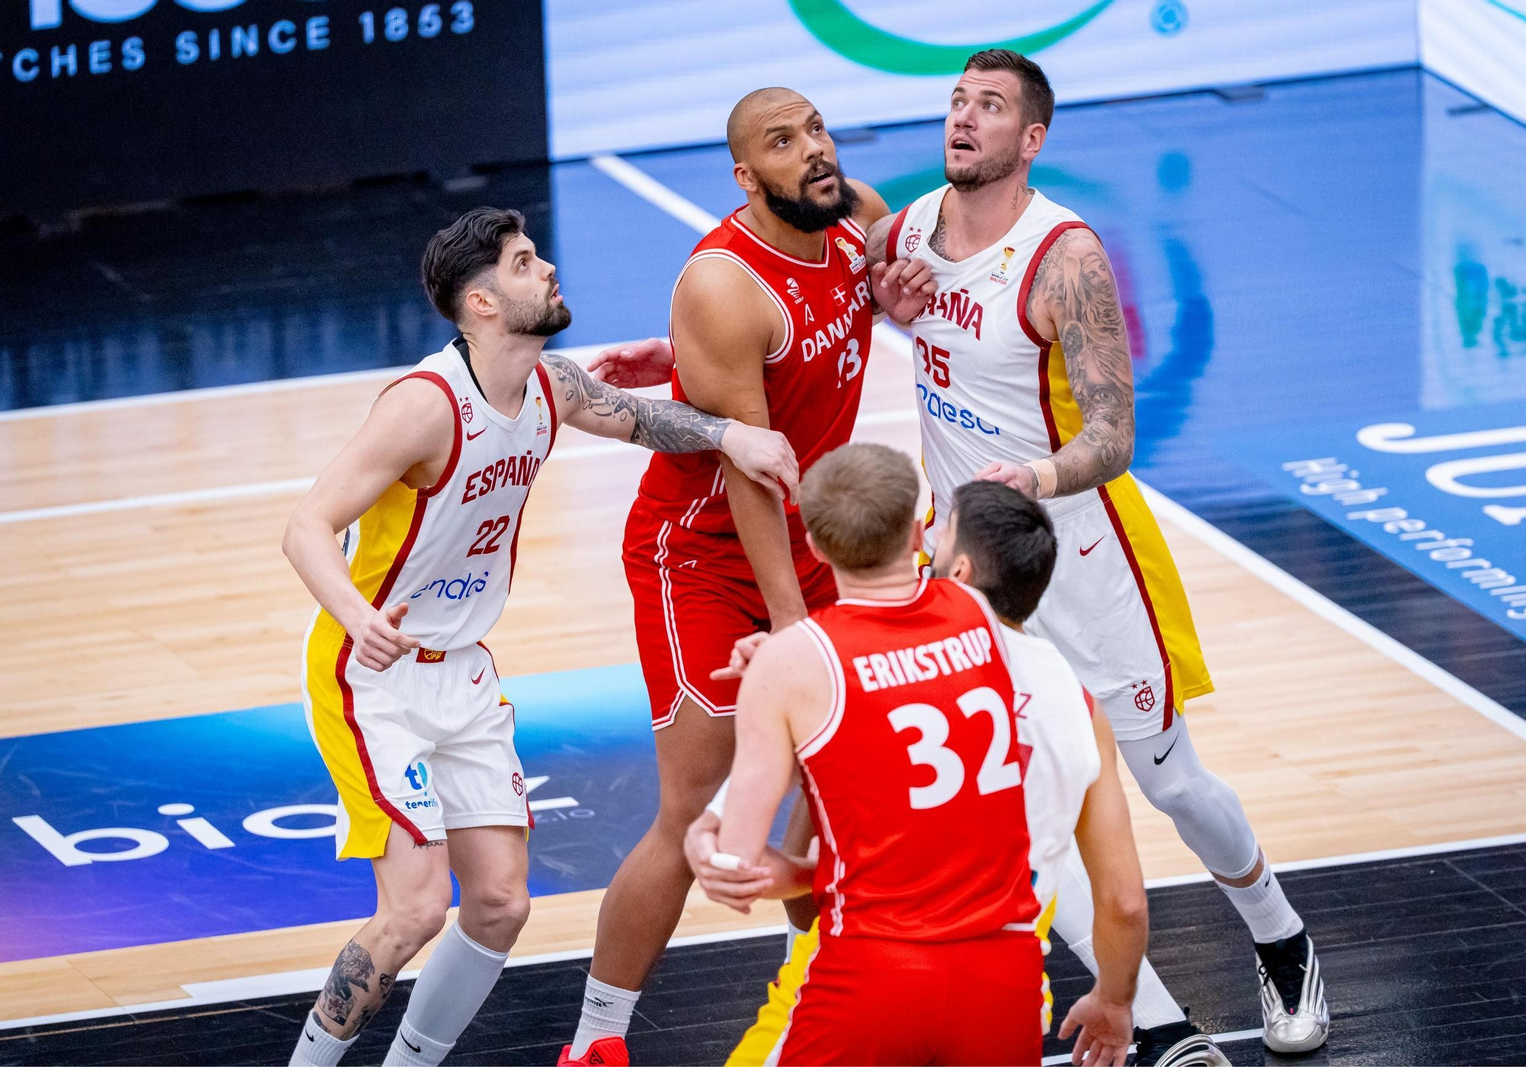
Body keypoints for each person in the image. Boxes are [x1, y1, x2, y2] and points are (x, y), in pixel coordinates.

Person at [867, 49, 1329, 1053]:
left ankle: (1281, 938)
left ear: (1030, 139)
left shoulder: (1064, 257)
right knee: (1030, 803)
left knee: (1172, 785)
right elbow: (857, 264)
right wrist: (878, 300)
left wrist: (1028, 479)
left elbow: (1115, 436)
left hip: (1084, 557)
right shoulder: (904, 233)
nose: (963, 118)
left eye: (988, 107)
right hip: (972, 574)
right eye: (955, 101)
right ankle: (1161, 1026)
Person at [281, 206, 799, 1067]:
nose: (548, 267)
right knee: (412, 908)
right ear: (481, 304)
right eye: (525, 263)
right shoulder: (423, 405)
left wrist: (730, 433)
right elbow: (306, 526)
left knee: (500, 907)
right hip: (374, 672)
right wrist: (355, 613)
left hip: (467, 671)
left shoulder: (549, 385)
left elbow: (640, 419)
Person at [561, 89, 926, 1067]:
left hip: (812, 538)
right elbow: (745, 470)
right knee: (697, 800)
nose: (811, 151)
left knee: (837, 778)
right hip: (704, 553)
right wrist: (792, 627)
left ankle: (831, 985)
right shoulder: (726, 284)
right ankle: (595, 1039)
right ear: (743, 175)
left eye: (815, 129)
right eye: (782, 141)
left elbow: (909, 273)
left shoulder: (852, 215)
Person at [690, 479, 1229, 1067]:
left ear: (962, 571)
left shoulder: (874, 671)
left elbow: (858, 852)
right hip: (1003, 985)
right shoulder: (1076, 701)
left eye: (941, 535)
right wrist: (1117, 1001)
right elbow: (1124, 900)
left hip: (868, 971)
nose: (928, 549)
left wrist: (778, 681)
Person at [701, 443, 1050, 1065]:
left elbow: (736, 864)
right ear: (919, 534)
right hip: (1005, 971)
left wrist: (701, 833)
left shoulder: (795, 662)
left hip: (874, 969)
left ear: (812, 547)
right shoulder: (976, 611)